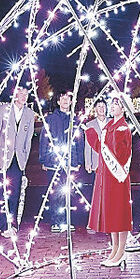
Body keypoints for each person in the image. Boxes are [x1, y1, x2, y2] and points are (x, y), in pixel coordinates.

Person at [84, 94, 133, 268]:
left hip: (117, 177)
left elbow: (120, 154)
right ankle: (114, 249)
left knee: (120, 213)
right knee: (112, 213)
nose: (112, 106)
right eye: (112, 103)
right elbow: (100, 148)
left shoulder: (123, 127)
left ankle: (121, 251)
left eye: (116, 104)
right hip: (105, 176)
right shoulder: (109, 126)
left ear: (124, 108)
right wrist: (90, 133)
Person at [0, 86, 36, 238]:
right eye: (20, 93)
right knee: (2, 193)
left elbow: (28, 139)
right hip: (3, 158)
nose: (23, 96)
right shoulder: (4, 109)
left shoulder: (29, 114)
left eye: (26, 94)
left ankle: (13, 223)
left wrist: (24, 158)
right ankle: (3, 225)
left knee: (15, 193)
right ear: (14, 93)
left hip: (18, 159)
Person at [39, 91, 84, 232]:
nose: (65, 100)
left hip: (70, 162)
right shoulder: (51, 119)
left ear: (71, 102)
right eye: (62, 98)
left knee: (68, 192)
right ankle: (55, 221)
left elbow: (79, 141)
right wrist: (44, 160)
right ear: (58, 102)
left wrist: (78, 161)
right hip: (53, 162)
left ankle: (67, 220)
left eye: (68, 98)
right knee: (54, 193)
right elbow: (44, 139)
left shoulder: (75, 120)